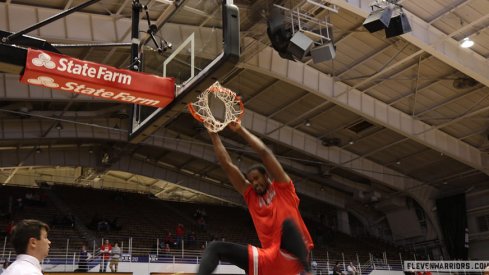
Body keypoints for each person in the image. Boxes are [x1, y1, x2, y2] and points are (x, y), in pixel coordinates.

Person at [198, 122, 314, 275]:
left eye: (257, 178)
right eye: (251, 180)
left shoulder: (283, 189)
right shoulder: (251, 195)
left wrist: (240, 130)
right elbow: (227, 165)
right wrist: (213, 134)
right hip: (272, 258)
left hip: (296, 255)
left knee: (288, 225)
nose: (254, 183)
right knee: (214, 247)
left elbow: (265, 153)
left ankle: (307, 270)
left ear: (266, 176)